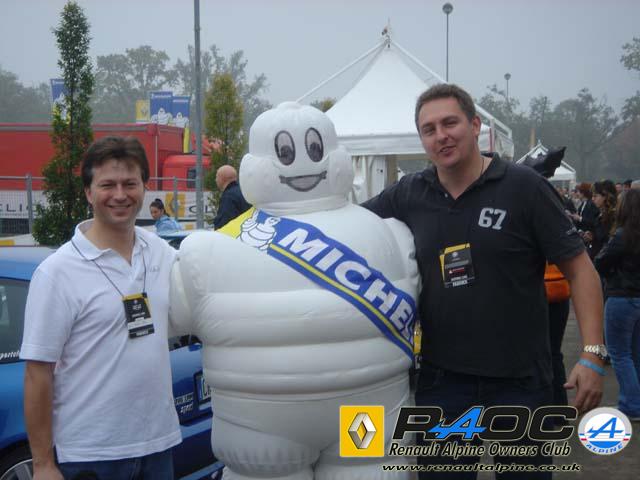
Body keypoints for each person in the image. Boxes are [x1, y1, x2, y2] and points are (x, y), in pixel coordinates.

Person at [363, 84, 605, 478]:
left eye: (450, 123)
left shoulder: (524, 187)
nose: (441, 136)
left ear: (475, 125)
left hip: (521, 381)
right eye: (429, 129)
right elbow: (350, 227)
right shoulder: (410, 193)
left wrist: (592, 354)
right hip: (443, 382)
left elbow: (581, 271)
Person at [20, 136, 181, 480]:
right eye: (107, 185)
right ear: (88, 193)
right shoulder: (57, 272)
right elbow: (37, 373)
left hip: (158, 445)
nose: (120, 195)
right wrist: (43, 464)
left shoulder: (162, 253)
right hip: (90, 456)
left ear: (145, 187)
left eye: (130, 183)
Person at [594, 189, 640, 421]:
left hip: (622, 296)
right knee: (635, 353)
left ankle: (631, 404)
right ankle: (635, 400)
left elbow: (601, 261)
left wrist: (611, 272)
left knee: (619, 353)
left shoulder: (622, 236)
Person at [584, 180, 617, 259]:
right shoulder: (600, 213)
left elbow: (609, 241)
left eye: (595, 196)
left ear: (605, 196)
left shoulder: (613, 216)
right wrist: (592, 236)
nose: (592, 199)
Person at [212, 164, 251, 229]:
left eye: (216, 177)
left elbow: (224, 223)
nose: (215, 180)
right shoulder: (243, 191)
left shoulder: (228, 197)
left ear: (222, 178)